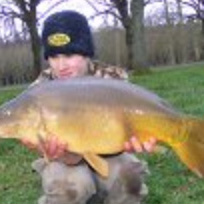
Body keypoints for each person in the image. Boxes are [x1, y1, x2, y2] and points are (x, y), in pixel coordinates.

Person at [30, 10, 157, 204]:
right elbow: (36, 139)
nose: (62, 65)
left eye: (70, 54)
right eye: (54, 57)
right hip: (62, 159)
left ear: (87, 53)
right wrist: (47, 149)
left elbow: (122, 136)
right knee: (69, 187)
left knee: (128, 178)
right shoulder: (39, 92)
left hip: (109, 153)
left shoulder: (112, 80)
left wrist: (135, 136)